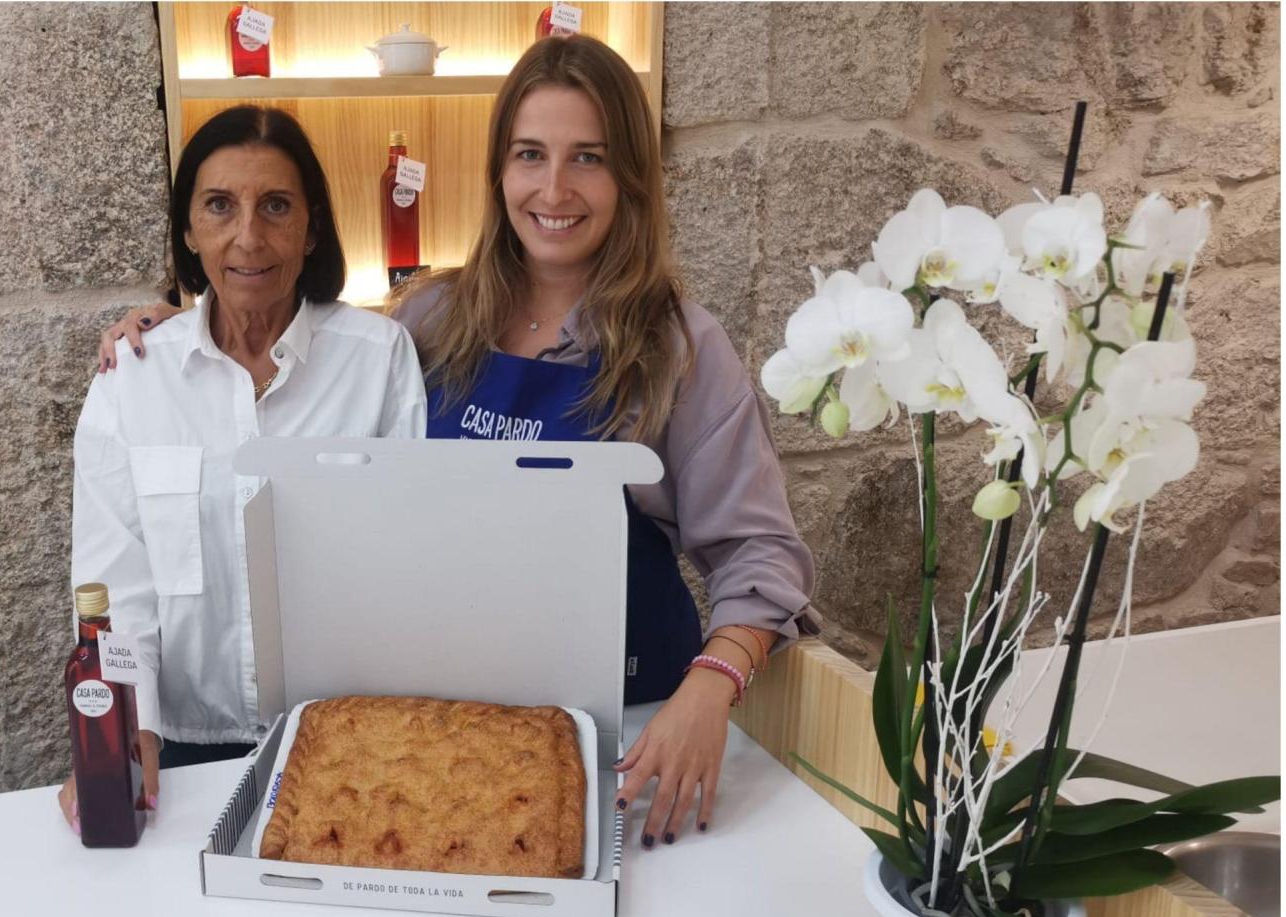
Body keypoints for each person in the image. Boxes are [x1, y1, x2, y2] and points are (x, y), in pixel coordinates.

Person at [93, 36, 815, 849]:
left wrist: (707, 692)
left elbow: (762, 554)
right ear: (498, 173)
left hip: (637, 722)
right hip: (473, 730)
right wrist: (176, 325)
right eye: (529, 155)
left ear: (631, 179)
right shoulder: (433, 321)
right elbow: (304, 347)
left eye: (589, 158)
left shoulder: (681, 346)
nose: (553, 188)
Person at [60, 105, 427, 833]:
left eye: (277, 206)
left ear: (312, 228)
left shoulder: (379, 360)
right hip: (187, 750)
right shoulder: (131, 379)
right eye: (219, 206)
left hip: (349, 741)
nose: (249, 237)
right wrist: (126, 735)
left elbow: (407, 564)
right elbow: (117, 587)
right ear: (189, 230)